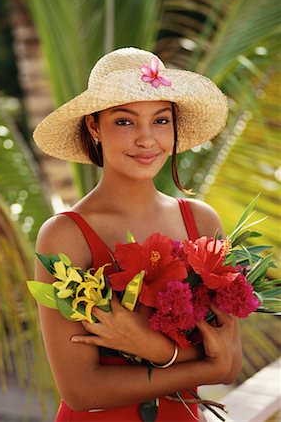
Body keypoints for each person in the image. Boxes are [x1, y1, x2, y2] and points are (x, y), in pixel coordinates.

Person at [33, 47, 242, 422]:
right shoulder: (65, 236)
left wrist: (152, 348)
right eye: (125, 122)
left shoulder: (202, 222)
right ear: (94, 126)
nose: (147, 139)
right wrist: (205, 365)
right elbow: (80, 391)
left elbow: (232, 364)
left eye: (161, 121)